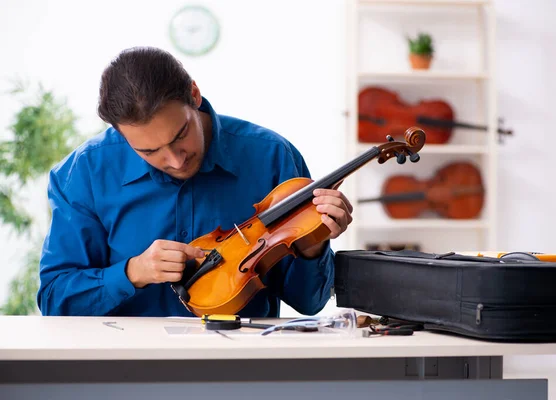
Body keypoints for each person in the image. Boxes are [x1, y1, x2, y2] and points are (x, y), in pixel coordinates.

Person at [36, 46, 353, 318]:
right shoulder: (83, 173)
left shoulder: (272, 156)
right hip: (125, 374)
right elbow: (54, 299)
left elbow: (310, 303)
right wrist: (132, 272)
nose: (175, 160)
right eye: (149, 151)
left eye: (180, 135)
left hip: (243, 369)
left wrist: (314, 242)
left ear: (194, 95)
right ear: (120, 133)